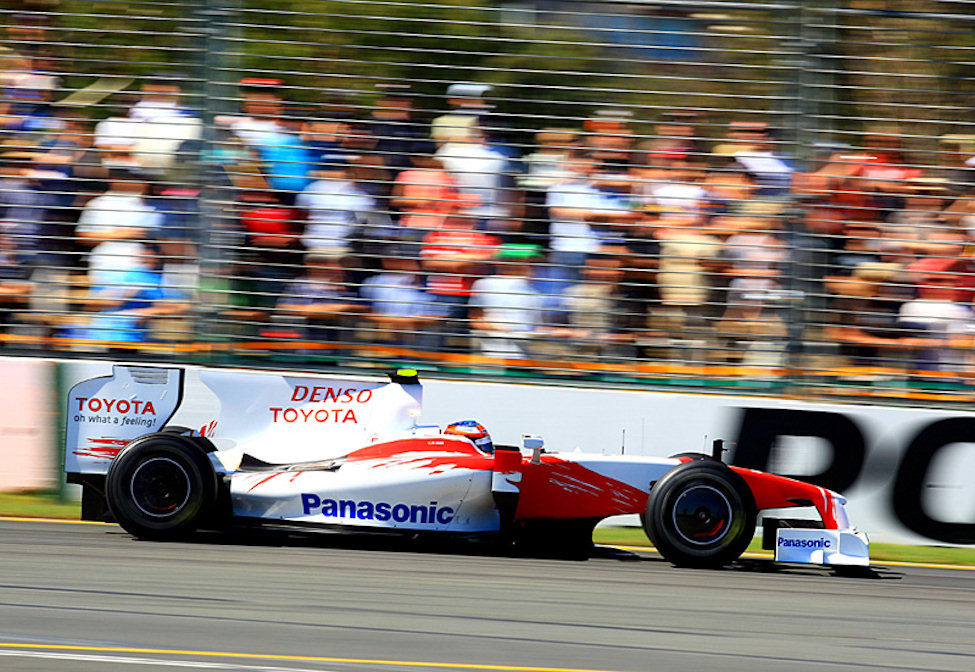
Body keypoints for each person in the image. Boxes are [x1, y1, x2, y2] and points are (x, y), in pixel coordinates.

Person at [469, 244, 547, 359]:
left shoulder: (535, 291)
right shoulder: (484, 284)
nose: (533, 266)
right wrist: (503, 328)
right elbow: (476, 320)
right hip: (492, 355)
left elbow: (535, 326)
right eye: (530, 261)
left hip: (523, 356)